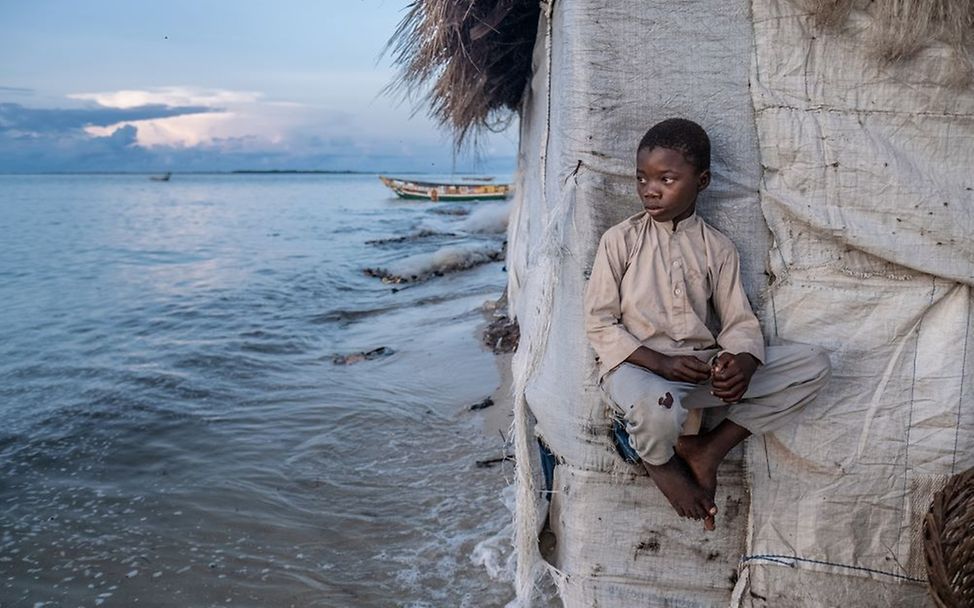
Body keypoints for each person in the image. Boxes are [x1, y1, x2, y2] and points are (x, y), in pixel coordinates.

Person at [583, 118, 830, 531]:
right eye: (642, 178)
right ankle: (662, 467)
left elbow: (738, 320)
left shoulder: (717, 247)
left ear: (702, 181)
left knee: (813, 365)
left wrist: (742, 363)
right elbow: (599, 322)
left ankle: (709, 449)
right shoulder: (620, 240)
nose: (650, 189)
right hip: (639, 373)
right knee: (655, 410)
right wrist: (660, 364)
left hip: (699, 373)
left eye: (666, 178)